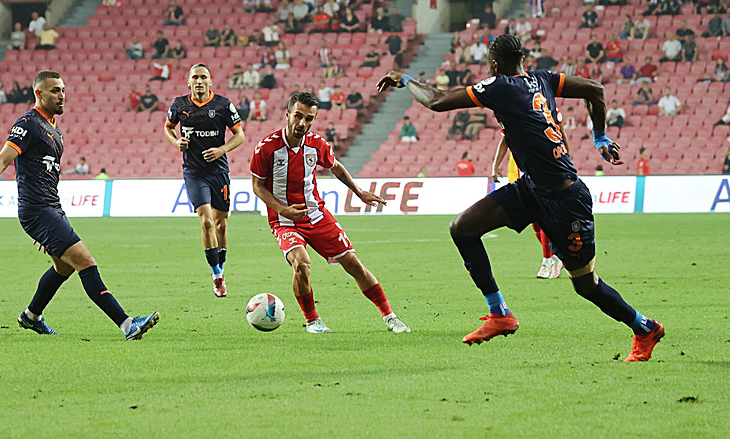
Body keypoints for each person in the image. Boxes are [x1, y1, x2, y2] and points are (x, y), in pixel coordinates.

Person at [376, 34, 664, 361]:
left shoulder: (500, 86)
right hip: (531, 189)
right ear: (523, 57)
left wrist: (406, 78)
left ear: (494, 65)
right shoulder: (543, 79)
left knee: (587, 286)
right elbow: (595, 89)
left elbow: (436, 101)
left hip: (565, 200)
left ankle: (645, 328)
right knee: (463, 228)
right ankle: (500, 313)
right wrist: (599, 137)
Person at [0, 70, 159, 340]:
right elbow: (2, 160)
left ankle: (31, 316)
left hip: (51, 209)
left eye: (63, 90)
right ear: (39, 94)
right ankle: (127, 324)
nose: (62, 95)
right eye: (55, 90)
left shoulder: (54, 129)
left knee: (64, 267)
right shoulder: (28, 124)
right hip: (37, 210)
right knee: (85, 261)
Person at [249, 92, 410, 334]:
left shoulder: (317, 145)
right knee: (301, 265)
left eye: (309, 118)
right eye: (298, 116)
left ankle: (390, 317)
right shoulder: (267, 148)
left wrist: (359, 192)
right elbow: (257, 186)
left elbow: (335, 167)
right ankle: (313, 321)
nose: (302, 123)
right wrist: (283, 210)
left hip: (316, 215)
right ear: (287, 114)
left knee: (354, 264)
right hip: (284, 220)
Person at [163, 64, 245, 297]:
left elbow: (240, 135)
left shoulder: (222, 105)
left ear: (210, 81)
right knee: (206, 222)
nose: (199, 81)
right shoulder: (180, 105)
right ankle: (217, 275)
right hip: (194, 172)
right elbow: (168, 128)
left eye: (203, 77)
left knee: (221, 224)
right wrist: (175, 142)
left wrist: (221, 149)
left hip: (218, 172)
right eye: (195, 78)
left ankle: (220, 264)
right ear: (188, 82)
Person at [490, 109, 570, 279]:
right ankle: (556, 256)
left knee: (543, 215)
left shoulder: (549, 109)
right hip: (522, 171)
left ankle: (548, 260)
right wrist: (495, 166)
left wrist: (567, 162)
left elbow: (561, 135)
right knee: (534, 219)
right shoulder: (508, 113)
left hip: (545, 168)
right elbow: (505, 139)